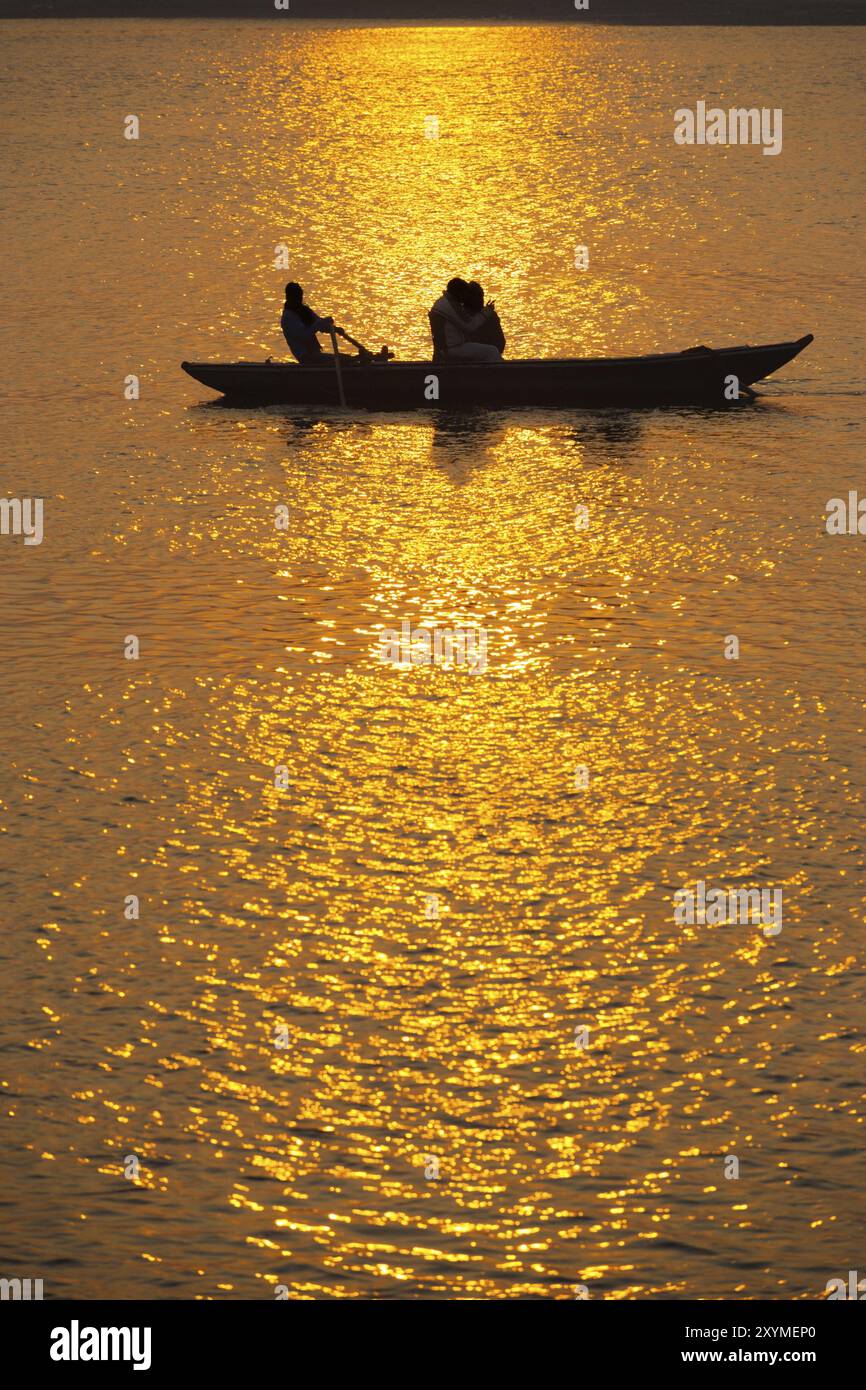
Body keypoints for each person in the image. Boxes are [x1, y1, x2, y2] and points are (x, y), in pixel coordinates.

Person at [428, 278, 503, 363]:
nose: (465, 297)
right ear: (459, 293)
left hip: (446, 347)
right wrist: (487, 311)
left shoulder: (442, 302)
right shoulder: (451, 306)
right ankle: (501, 374)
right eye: (464, 293)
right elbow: (470, 326)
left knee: (485, 351)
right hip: (451, 348)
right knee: (491, 351)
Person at [280, 282, 344, 364]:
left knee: (345, 358)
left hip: (315, 353)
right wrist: (321, 323)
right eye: (296, 296)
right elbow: (304, 335)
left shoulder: (305, 310)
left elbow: (320, 325)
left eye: (300, 295)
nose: (299, 299)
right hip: (305, 357)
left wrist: (335, 329)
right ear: (289, 297)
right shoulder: (288, 317)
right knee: (340, 360)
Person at [463, 281, 505, 354]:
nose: (481, 299)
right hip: (489, 356)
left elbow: (500, 342)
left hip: (483, 356)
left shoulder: (459, 314)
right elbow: (501, 343)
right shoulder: (490, 315)